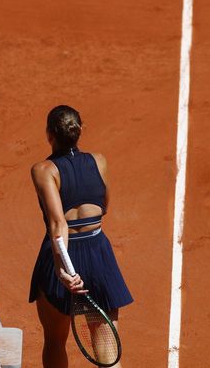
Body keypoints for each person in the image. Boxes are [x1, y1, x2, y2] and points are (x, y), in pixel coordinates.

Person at [29, 105, 133, 366]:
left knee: (54, 339)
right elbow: (104, 206)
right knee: (106, 346)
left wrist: (62, 268)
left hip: (63, 256)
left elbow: (57, 223)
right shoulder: (99, 160)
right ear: (79, 131)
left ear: (49, 134)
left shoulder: (44, 170)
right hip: (98, 255)